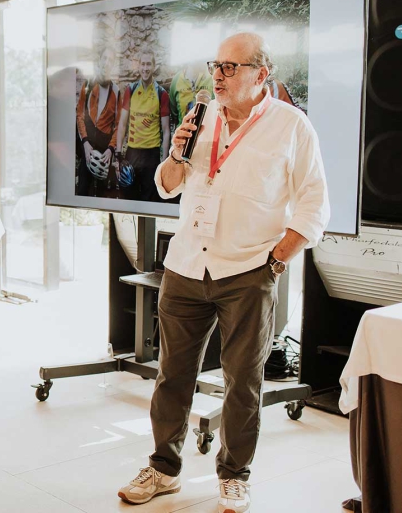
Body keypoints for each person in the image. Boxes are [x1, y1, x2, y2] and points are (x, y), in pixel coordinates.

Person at [117, 33, 330, 513]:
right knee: (172, 376)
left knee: (242, 382)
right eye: (217, 65)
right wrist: (174, 154)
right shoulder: (199, 118)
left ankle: (234, 475)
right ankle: (164, 469)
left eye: (232, 67)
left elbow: (315, 204)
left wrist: (275, 261)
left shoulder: (291, 126)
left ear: (262, 74)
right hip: (187, 265)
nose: (218, 74)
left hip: (248, 269)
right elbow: (166, 188)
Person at [115, 47, 170, 202]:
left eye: (148, 65)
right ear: (139, 66)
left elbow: (166, 131)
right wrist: (118, 156)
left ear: (153, 67)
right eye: (143, 64)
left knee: (150, 199)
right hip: (132, 153)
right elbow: (122, 124)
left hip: (151, 155)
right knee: (130, 197)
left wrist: (164, 162)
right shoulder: (130, 90)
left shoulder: (161, 94)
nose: (145, 68)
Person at [75, 50, 120, 198]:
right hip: (87, 146)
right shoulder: (87, 85)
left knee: (102, 195)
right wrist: (85, 143)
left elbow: (119, 125)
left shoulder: (116, 91)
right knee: (82, 191)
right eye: (105, 58)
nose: (107, 63)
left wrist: (111, 149)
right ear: (100, 61)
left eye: (111, 61)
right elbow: (79, 114)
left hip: (104, 150)